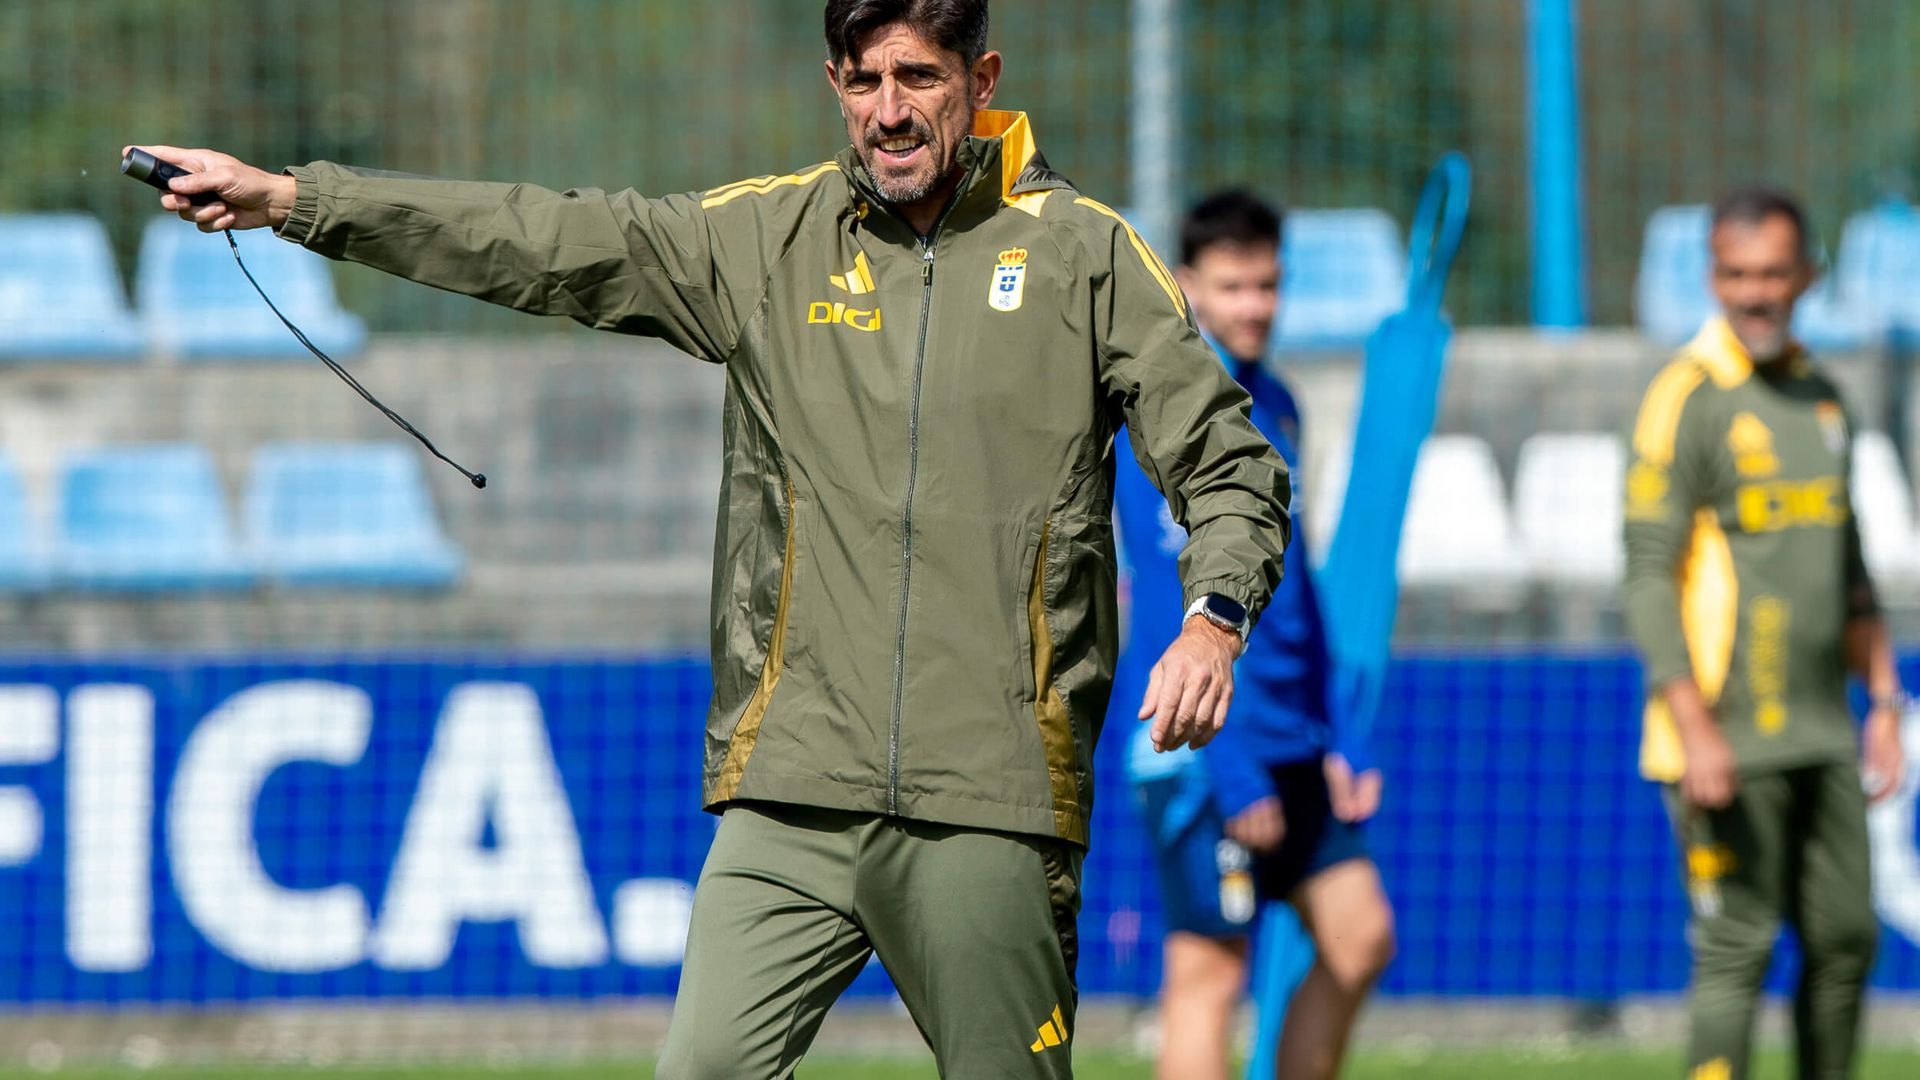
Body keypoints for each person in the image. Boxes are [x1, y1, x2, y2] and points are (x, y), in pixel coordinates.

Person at [131, 1, 1291, 1076]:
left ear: (979, 78)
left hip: (990, 800)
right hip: (790, 793)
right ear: (835, 83)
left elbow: (1232, 467)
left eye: (919, 78)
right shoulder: (764, 242)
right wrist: (296, 202)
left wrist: (1214, 618)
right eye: (863, 78)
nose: (889, 109)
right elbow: (539, 239)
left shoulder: (1085, 255)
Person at [1623, 185, 1906, 1080]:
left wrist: (1888, 701)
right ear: (1712, 278)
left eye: (1773, 274)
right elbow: (1646, 576)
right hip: (1723, 734)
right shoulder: (1687, 396)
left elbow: (1850, 566)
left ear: (1808, 277)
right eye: (1736, 275)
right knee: (1735, 950)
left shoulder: (1824, 398)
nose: (1755, 294)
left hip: (1823, 730)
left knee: (1847, 941)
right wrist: (1694, 724)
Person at [1115, 190, 1393, 1080]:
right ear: (1189, 286)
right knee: (1209, 974)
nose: (1254, 307)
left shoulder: (1280, 403)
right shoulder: (1155, 416)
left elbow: (1296, 583)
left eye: (1268, 285)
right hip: (1199, 746)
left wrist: (1340, 734)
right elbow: (1166, 602)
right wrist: (1227, 767)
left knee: (1361, 938)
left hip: (1293, 743)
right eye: (1233, 287)